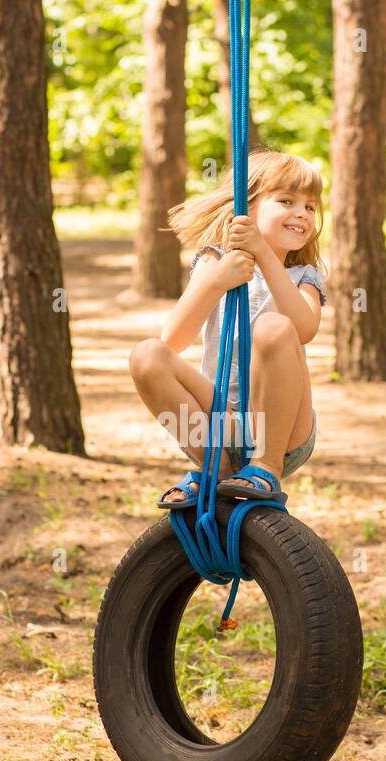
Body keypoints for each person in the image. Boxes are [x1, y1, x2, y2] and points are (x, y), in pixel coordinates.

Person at [128, 148, 326, 509]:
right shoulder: (214, 261)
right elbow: (172, 340)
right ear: (246, 208)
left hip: (283, 433)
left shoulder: (305, 276)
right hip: (219, 426)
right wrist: (216, 281)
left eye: (310, 206)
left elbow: (304, 328)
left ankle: (265, 467)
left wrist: (265, 257)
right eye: (286, 200)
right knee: (146, 355)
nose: (302, 213)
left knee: (273, 327)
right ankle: (214, 470)